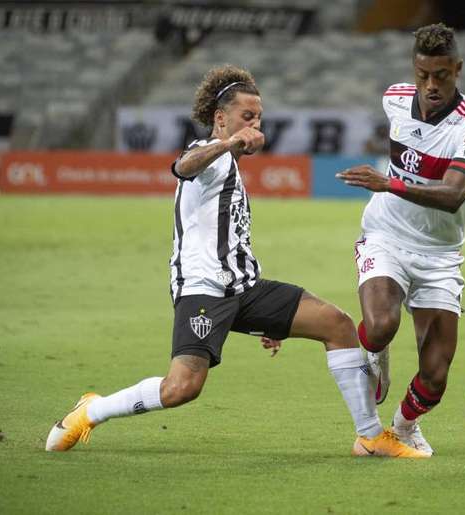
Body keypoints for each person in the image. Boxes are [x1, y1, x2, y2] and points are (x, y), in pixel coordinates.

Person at [45, 65, 427, 458]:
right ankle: (92, 409)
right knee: (182, 388)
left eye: (258, 117)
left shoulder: (230, 167)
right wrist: (229, 143)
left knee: (338, 325)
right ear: (220, 119)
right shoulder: (206, 154)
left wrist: (271, 317)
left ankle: (369, 437)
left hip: (244, 287)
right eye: (247, 116)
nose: (255, 125)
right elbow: (182, 167)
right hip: (203, 289)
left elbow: (233, 240)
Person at [337, 23, 465, 456]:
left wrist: (390, 184)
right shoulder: (394, 99)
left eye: (441, 75)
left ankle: (403, 429)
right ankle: (375, 355)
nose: (430, 85)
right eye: (422, 74)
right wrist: (388, 193)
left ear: (457, 70)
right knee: (382, 324)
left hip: (439, 254)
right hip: (385, 235)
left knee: (437, 373)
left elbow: (454, 194)